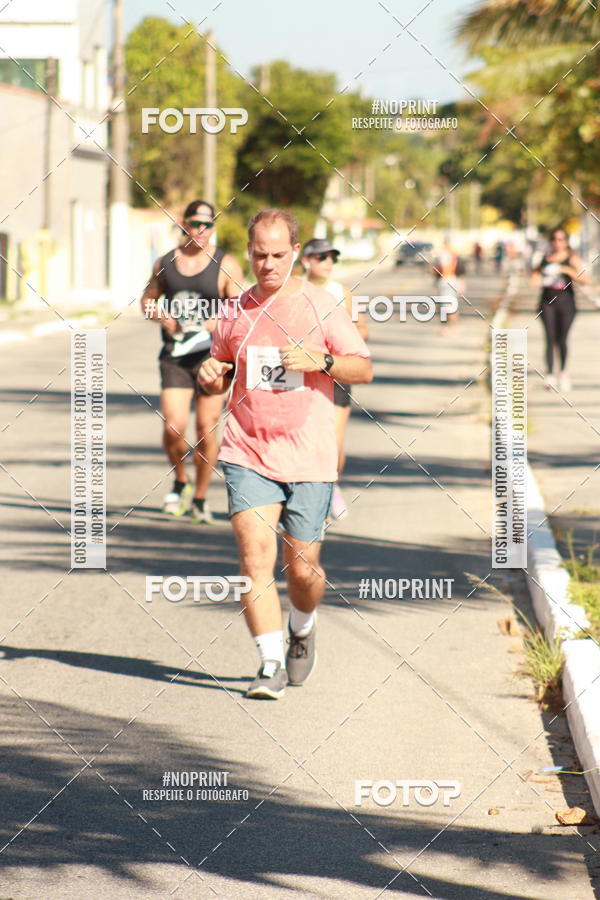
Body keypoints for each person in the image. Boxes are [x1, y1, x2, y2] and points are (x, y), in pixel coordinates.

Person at [199, 209, 372, 699]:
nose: (268, 264)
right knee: (255, 558)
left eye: (278, 254)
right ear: (249, 252)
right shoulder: (235, 311)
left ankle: (303, 623)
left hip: (309, 455)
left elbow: (362, 368)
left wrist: (324, 360)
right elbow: (220, 368)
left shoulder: (320, 305)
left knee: (303, 568)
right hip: (247, 451)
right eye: (260, 255)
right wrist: (209, 376)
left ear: (296, 252)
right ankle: (270, 662)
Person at [141, 200, 244, 522]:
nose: (200, 230)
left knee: (205, 429)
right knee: (173, 427)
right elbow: (147, 300)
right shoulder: (166, 262)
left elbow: (241, 306)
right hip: (175, 356)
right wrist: (162, 316)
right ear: (183, 224)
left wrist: (219, 320)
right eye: (194, 223)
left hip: (213, 358)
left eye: (207, 224)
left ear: (213, 227)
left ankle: (199, 496)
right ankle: (180, 480)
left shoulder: (226, 263)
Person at [301, 238, 369, 520]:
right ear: (306, 260)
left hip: (336, 371)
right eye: (321, 257)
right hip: (302, 374)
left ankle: (331, 487)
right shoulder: (293, 290)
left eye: (332, 257)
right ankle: (303, 497)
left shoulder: (341, 292)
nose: (328, 262)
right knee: (303, 438)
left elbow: (362, 330)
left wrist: (338, 340)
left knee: (334, 442)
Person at [531, 227, 589, 391]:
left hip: (566, 302)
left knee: (562, 339)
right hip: (547, 301)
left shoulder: (572, 258)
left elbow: (585, 279)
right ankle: (549, 375)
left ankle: (563, 373)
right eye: (554, 239)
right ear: (550, 241)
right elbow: (534, 279)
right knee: (550, 338)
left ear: (566, 241)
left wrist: (565, 269)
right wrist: (540, 275)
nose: (557, 243)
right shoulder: (545, 258)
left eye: (561, 239)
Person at [433, 236, 465, 329]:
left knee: (447, 306)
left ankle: (451, 327)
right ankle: (452, 326)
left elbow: (441, 269)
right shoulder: (455, 253)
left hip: (446, 281)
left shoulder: (444, 254)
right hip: (454, 280)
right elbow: (461, 269)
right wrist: (462, 282)